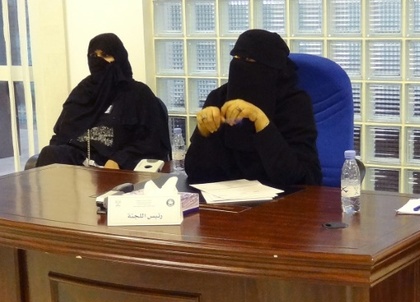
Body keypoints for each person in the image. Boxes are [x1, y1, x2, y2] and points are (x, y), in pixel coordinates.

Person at [184, 29, 322, 186]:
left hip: (283, 202)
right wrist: (204, 133)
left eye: (249, 60)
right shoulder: (219, 98)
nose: (239, 66)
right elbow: (195, 171)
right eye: (236, 58)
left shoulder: (294, 103)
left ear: (271, 68)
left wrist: (260, 120)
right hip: (226, 201)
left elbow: (301, 178)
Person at [36, 33, 170, 170]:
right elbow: (62, 133)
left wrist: (120, 159)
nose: (98, 61)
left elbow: (152, 142)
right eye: (94, 56)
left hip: (113, 165)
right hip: (77, 163)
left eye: (105, 55)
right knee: (50, 153)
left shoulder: (138, 94)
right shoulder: (84, 91)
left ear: (119, 57)